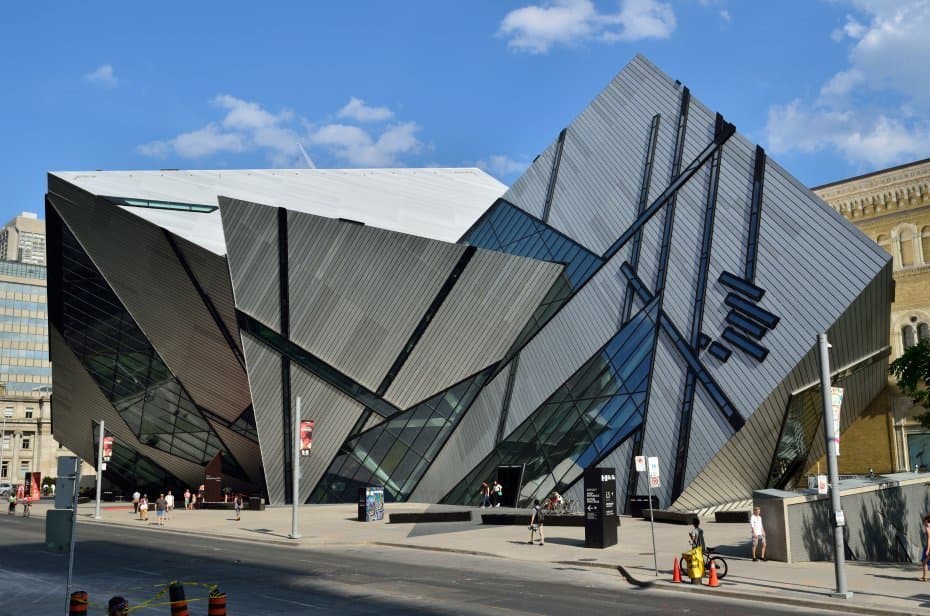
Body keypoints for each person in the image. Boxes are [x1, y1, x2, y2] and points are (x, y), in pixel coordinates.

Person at [921, 514, 930, 581]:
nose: (923, 523)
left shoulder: (927, 529)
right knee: (925, 562)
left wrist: (927, 549)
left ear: (927, 521)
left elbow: (929, 539)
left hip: (928, 547)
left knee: (925, 562)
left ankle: (925, 577)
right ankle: (924, 576)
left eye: (924, 521)